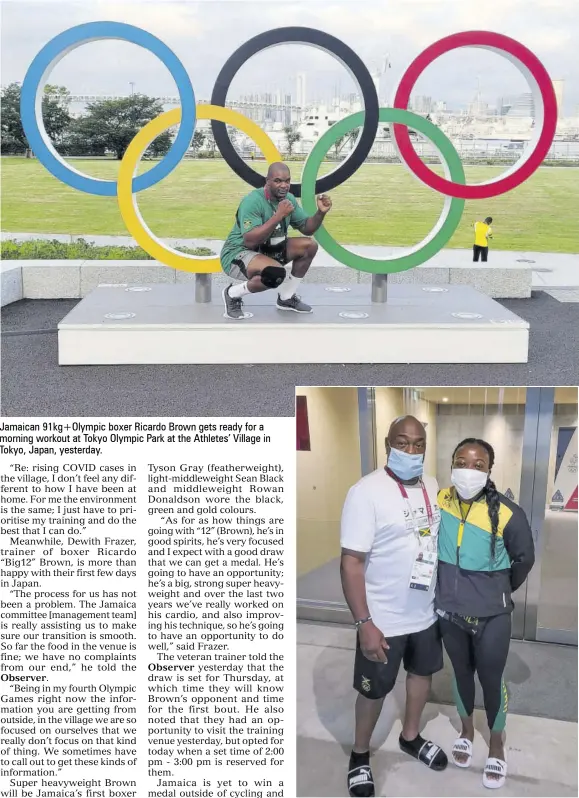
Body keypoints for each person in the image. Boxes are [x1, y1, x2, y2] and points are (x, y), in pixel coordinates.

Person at [340, 416, 448, 798]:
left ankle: (411, 736)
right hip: (383, 618)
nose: (412, 450)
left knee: (421, 677)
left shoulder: (432, 485)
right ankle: (359, 755)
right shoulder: (365, 491)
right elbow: (351, 561)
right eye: (403, 442)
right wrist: (364, 622)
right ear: (388, 444)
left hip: (426, 614)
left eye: (419, 444)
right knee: (373, 691)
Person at [435, 438, 535, 789]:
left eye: (478, 464)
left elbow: (525, 560)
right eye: (462, 461)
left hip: (493, 615)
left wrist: (499, 591)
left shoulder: (508, 513)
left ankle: (496, 742)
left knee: (491, 680)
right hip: (450, 611)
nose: (468, 469)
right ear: (452, 463)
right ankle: (465, 730)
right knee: (461, 674)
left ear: (489, 470)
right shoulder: (441, 500)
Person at [219, 162, 332, 320]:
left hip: (266, 249)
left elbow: (307, 228)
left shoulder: (288, 199)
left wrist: (320, 213)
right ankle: (232, 294)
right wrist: (278, 216)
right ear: (267, 181)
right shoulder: (252, 201)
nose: (284, 185)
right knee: (275, 274)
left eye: (287, 181)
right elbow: (250, 241)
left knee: (309, 246)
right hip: (237, 254)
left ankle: (286, 298)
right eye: (278, 181)